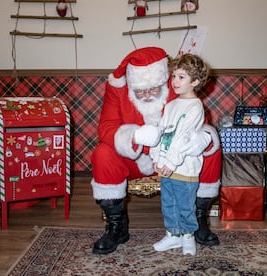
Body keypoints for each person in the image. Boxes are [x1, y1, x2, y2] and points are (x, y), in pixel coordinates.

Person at [90, 47, 222, 255]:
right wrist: (136, 137)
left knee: (210, 148)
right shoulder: (117, 88)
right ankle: (117, 227)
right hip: (136, 158)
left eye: (154, 89)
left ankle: (198, 220)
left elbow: (198, 123)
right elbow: (105, 128)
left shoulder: (177, 86)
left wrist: (202, 138)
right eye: (140, 91)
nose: (148, 95)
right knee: (102, 153)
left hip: (175, 160)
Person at [150, 53, 209, 256]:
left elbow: (183, 138)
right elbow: (161, 131)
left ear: (195, 81)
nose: (174, 81)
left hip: (184, 168)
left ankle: (188, 237)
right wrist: (156, 157)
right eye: (174, 76)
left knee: (185, 206)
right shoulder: (171, 105)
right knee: (169, 204)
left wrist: (172, 162)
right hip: (166, 167)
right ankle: (173, 235)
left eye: (181, 77)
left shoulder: (195, 107)